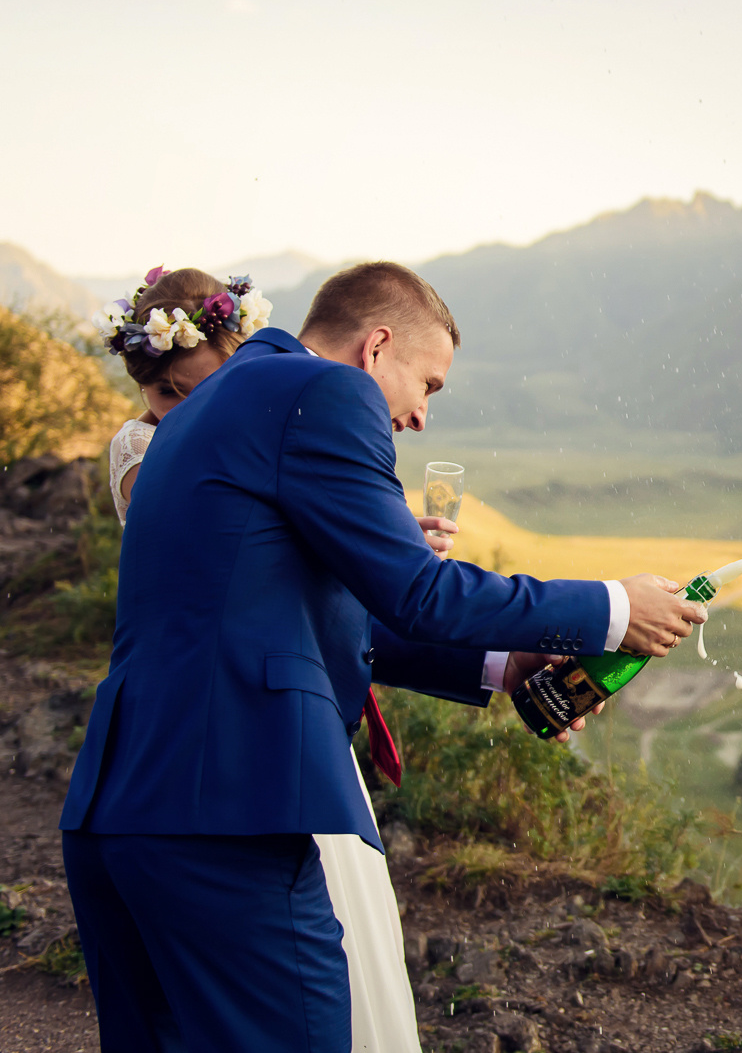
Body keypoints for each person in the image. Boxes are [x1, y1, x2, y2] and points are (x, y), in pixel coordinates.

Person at [64, 260, 706, 1051]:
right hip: (225, 814)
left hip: (119, 812)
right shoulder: (325, 393)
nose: (421, 416)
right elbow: (418, 592)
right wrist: (612, 608)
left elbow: (295, 614)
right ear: (376, 347)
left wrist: (502, 665)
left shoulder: (204, 413)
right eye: (429, 385)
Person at [95, 264, 447, 1051]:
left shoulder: (270, 411)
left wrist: (369, 549)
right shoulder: (155, 450)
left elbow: (300, 589)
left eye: (202, 385)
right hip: (230, 744)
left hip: (287, 735)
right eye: (168, 396)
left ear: (237, 355)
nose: (188, 410)